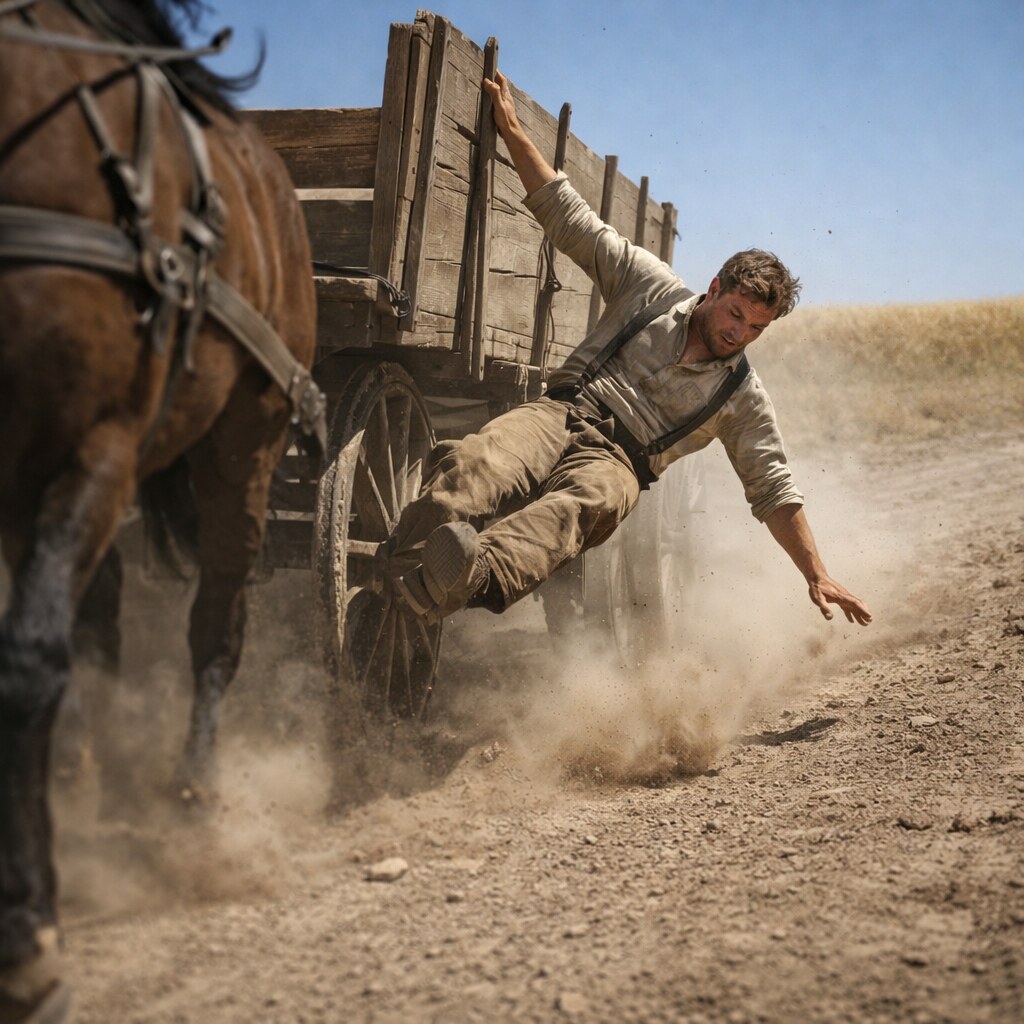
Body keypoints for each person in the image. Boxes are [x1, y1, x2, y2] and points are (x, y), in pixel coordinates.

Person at [389, 70, 872, 630]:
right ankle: (403, 577)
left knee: (580, 509)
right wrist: (513, 130)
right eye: (737, 314)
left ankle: (470, 576)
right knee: (475, 461)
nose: (740, 333)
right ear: (714, 290)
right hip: (560, 413)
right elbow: (569, 218)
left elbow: (773, 487)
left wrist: (816, 572)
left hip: (620, 462)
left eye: (757, 328)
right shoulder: (651, 286)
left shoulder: (742, 397)